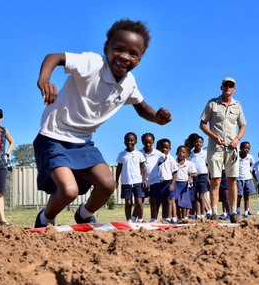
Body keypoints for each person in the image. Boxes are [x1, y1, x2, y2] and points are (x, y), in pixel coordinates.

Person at [33, 19, 171, 228]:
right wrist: (44, 79)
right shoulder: (93, 63)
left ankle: (85, 214)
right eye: (119, 49)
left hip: (83, 141)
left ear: (140, 60)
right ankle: (45, 219)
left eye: (133, 54)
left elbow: (142, 108)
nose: (125, 57)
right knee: (68, 190)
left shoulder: (129, 83)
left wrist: (157, 118)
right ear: (107, 48)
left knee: (108, 184)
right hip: (54, 137)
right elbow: (55, 57)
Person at [200, 77, 247, 223]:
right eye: (225, 85)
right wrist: (214, 137)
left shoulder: (237, 106)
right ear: (221, 88)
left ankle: (233, 213)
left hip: (232, 148)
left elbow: (243, 126)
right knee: (215, 179)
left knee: (232, 179)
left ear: (234, 89)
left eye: (230, 85)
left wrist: (237, 139)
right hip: (216, 147)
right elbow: (202, 124)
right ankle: (214, 213)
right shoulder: (212, 103)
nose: (228, 87)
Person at [115, 132, 147, 222]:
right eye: (127, 140)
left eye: (132, 140)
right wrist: (116, 180)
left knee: (139, 202)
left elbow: (143, 167)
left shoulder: (139, 154)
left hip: (137, 181)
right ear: (124, 142)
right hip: (126, 182)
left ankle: (140, 220)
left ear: (136, 142)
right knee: (128, 203)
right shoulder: (122, 154)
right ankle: (129, 220)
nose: (129, 142)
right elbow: (119, 168)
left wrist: (144, 179)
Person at [140, 133, 165, 222]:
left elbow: (161, 161)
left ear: (153, 142)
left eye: (150, 142)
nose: (148, 145)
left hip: (154, 180)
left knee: (153, 200)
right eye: (146, 142)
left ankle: (153, 219)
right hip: (142, 180)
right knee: (140, 201)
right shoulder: (139, 153)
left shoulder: (159, 154)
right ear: (142, 142)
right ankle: (139, 219)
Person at [156, 139, 178, 222]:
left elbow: (175, 173)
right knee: (160, 201)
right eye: (162, 147)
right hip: (159, 182)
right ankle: (163, 218)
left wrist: (172, 184)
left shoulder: (171, 159)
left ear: (170, 149)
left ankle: (168, 218)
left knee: (169, 200)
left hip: (168, 182)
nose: (164, 149)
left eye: (166, 147)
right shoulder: (157, 158)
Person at [189, 135, 210, 219]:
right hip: (194, 176)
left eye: (200, 142)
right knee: (195, 196)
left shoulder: (205, 153)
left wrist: (208, 177)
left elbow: (207, 165)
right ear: (194, 143)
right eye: (196, 142)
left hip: (203, 176)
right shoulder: (191, 154)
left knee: (201, 195)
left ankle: (202, 213)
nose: (198, 144)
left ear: (203, 143)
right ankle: (198, 214)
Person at [175, 146, 197, 221]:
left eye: (183, 152)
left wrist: (190, 176)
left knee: (183, 203)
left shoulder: (189, 164)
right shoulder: (174, 162)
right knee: (176, 202)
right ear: (176, 153)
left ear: (186, 154)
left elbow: (195, 174)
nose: (181, 154)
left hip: (185, 184)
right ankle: (178, 218)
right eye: (179, 152)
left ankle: (184, 218)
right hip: (176, 184)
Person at [237, 142, 255, 219]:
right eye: (245, 148)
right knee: (238, 196)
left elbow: (251, 164)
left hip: (247, 178)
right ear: (241, 148)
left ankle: (246, 212)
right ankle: (237, 211)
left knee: (246, 196)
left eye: (248, 148)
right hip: (238, 178)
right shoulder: (237, 156)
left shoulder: (250, 157)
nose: (247, 150)